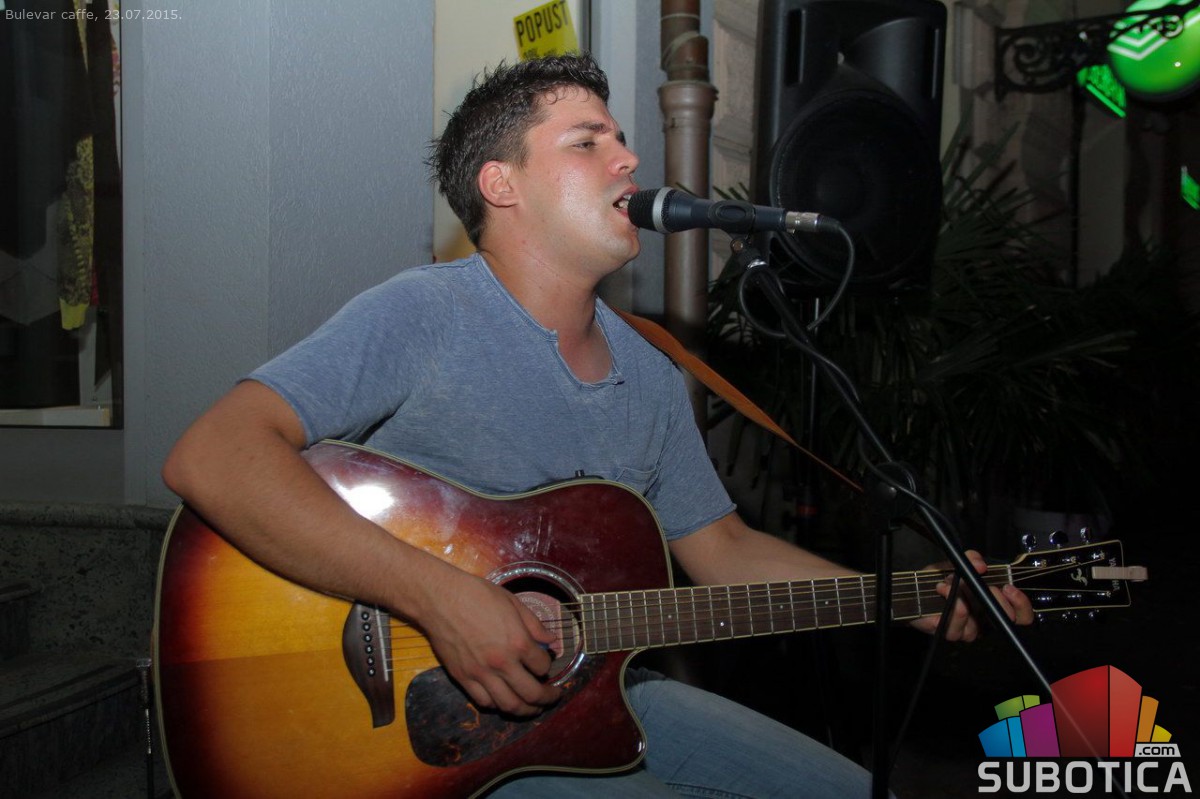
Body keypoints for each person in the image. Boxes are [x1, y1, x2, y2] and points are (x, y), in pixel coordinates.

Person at [163, 52, 1033, 797]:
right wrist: (440, 597)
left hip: (600, 693)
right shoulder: (427, 312)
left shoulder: (650, 372)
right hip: (410, 735)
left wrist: (908, 598)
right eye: (588, 142)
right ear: (501, 185)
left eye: (620, 138)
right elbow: (214, 454)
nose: (630, 158)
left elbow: (724, 550)